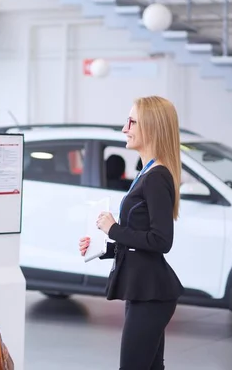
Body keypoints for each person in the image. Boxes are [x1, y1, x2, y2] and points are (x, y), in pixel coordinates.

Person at [79, 96, 184, 370]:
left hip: (151, 293)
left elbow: (161, 240)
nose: (125, 128)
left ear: (152, 126)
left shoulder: (156, 176)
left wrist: (113, 229)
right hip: (144, 290)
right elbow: (141, 242)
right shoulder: (147, 173)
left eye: (132, 121)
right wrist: (105, 248)